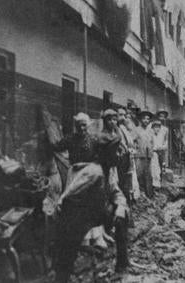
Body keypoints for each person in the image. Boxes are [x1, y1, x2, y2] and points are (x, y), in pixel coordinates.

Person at [52, 112, 129, 281]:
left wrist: (121, 207)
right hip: (78, 217)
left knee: (122, 217)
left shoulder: (106, 170)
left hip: (96, 214)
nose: (117, 156)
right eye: (114, 153)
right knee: (69, 247)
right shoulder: (92, 171)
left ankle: (122, 264)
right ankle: (64, 274)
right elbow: (67, 198)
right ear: (104, 153)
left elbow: (115, 190)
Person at [117, 107, 140, 200]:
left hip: (128, 156)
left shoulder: (124, 128)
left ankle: (131, 197)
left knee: (130, 177)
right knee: (122, 179)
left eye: (124, 115)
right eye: (120, 115)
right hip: (120, 157)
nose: (123, 118)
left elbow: (130, 140)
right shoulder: (116, 128)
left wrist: (132, 148)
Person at [134, 110, 154, 198]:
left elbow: (152, 142)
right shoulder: (136, 130)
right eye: (144, 119)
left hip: (148, 156)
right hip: (139, 156)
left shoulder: (150, 131)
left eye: (148, 119)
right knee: (139, 175)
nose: (146, 120)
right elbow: (132, 141)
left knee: (148, 175)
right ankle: (140, 196)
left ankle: (149, 195)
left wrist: (151, 152)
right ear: (140, 120)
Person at [150, 119, 166, 188]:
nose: (157, 129)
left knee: (160, 169)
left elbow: (164, 145)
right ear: (152, 128)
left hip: (160, 154)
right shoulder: (151, 135)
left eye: (158, 127)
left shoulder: (161, 136)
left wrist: (161, 147)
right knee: (153, 170)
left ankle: (159, 185)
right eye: (155, 127)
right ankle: (154, 185)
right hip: (153, 154)